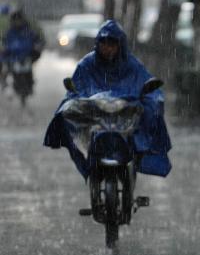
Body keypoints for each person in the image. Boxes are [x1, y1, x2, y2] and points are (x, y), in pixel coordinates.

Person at [43, 19, 172, 178]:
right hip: (95, 117)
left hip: (125, 116)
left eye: (112, 43)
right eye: (103, 42)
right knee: (65, 112)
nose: (107, 47)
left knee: (152, 111)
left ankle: (138, 157)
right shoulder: (86, 65)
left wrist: (152, 99)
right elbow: (76, 90)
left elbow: (148, 86)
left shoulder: (132, 66)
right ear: (97, 43)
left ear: (120, 45)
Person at [1, 9, 44, 101]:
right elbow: (4, 43)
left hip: (27, 56)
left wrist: (37, 46)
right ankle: (6, 84)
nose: (17, 22)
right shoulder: (9, 32)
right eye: (15, 20)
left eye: (19, 20)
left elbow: (37, 40)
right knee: (7, 70)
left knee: (29, 70)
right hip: (13, 57)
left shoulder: (28, 31)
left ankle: (30, 84)